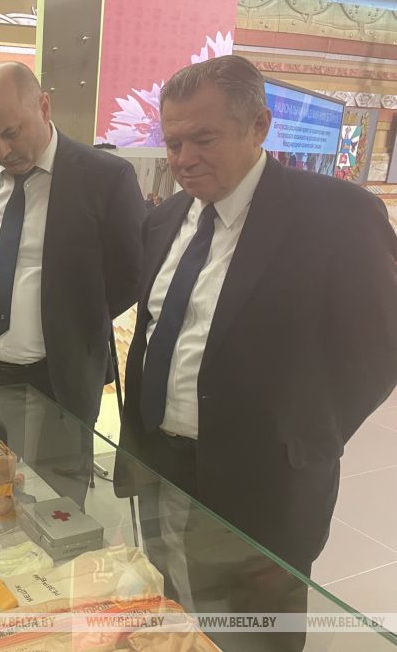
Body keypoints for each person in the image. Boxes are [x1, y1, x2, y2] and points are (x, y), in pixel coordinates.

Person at [114, 55, 397, 646]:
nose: (183, 159)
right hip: (163, 463)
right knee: (179, 611)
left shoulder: (338, 215)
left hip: (266, 482)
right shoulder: (165, 219)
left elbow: (380, 345)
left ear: (259, 126)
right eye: (173, 143)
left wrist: (308, 437)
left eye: (204, 139)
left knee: (255, 632)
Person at [0, 61, 144, 428]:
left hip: (61, 377)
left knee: (60, 466)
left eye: (11, 132)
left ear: (43, 107)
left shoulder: (106, 179)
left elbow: (130, 275)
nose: (2, 150)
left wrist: (74, 320)